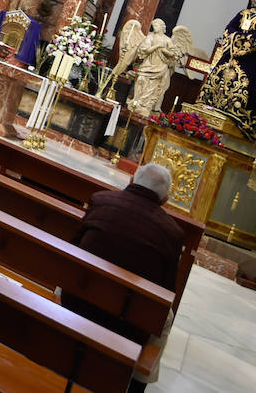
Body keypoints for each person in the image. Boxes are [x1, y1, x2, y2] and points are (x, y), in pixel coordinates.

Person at [64, 163, 182, 393]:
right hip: (129, 324)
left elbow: (74, 247)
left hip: (77, 301)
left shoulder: (100, 200)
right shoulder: (172, 232)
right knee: (166, 317)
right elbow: (166, 289)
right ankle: (137, 383)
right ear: (165, 200)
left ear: (130, 181)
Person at [199, 0, 256, 139]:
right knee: (219, 76)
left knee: (245, 82)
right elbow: (229, 27)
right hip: (232, 52)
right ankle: (211, 105)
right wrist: (236, 38)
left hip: (251, 55)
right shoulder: (243, 13)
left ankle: (236, 115)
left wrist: (242, 41)